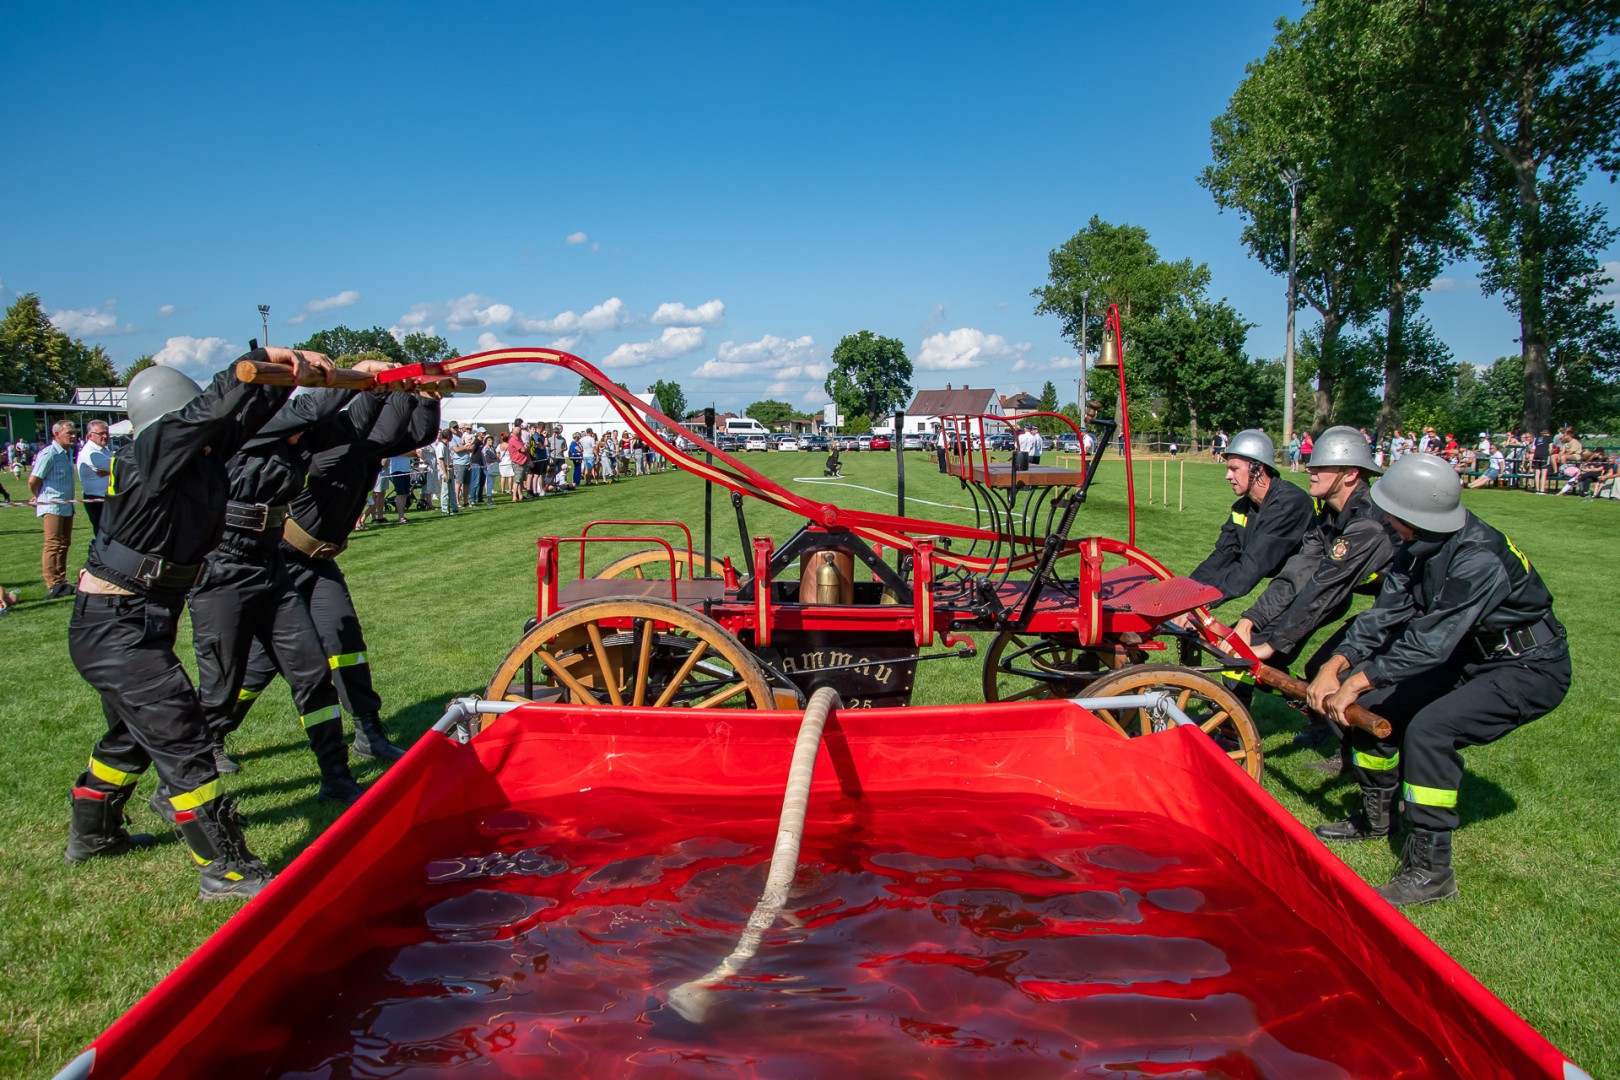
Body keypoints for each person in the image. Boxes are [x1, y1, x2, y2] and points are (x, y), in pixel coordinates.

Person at [64, 349, 330, 899]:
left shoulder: (194, 458)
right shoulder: (150, 454)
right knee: (182, 736)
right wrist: (254, 361)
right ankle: (225, 868)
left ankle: (93, 835)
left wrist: (290, 379)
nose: (210, 434)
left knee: (133, 736)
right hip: (114, 626)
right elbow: (210, 412)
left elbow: (244, 419)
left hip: (139, 618)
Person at [1306, 453, 1569, 905]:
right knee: (1373, 707)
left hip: (1528, 666)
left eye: (1391, 511)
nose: (1384, 517)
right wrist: (1336, 665)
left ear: (1413, 516)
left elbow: (1430, 643)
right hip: (1470, 654)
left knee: (1431, 731)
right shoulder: (1417, 546)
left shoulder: (1477, 557)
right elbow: (1385, 615)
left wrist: (1357, 680)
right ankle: (1377, 818)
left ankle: (1431, 871)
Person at [189, 364, 396, 803]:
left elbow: (350, 423)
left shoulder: (295, 441)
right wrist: (356, 375)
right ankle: (195, 756)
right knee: (226, 678)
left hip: (271, 562)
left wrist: (377, 390)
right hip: (225, 564)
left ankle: (337, 775)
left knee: (312, 670)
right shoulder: (245, 430)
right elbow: (306, 410)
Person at [227, 390, 440, 766]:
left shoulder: (365, 449)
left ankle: (368, 733)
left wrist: (426, 399)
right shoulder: (326, 450)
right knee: (258, 665)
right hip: (282, 564)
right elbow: (385, 434)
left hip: (318, 564)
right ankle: (211, 738)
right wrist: (397, 389)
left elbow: (419, 435)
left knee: (346, 642)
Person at [1230, 426, 1398, 754]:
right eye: (1311, 463)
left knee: (1336, 671)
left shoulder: (1367, 523)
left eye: (1321, 466)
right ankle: (1330, 737)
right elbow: (1296, 574)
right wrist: (1252, 620)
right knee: (1317, 668)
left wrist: (1273, 645)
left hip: (1416, 611)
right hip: (1387, 604)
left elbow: (1325, 587)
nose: (1310, 470)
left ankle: (1354, 756)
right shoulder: (1329, 517)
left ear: (1350, 474)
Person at [1188, 429, 1314, 608]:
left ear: (1258, 468)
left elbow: (1253, 564)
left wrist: (1202, 602)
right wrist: (1185, 593)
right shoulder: (1242, 508)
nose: (1227, 476)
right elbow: (1222, 556)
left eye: (1234, 469)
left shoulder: (1290, 503)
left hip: (1313, 590)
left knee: (1252, 627)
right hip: (1288, 586)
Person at [29, 420, 78, 597]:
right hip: (52, 505)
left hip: (67, 504)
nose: (73, 436)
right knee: (52, 544)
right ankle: (52, 583)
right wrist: (39, 497)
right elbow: (33, 480)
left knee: (64, 543)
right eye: (69, 433)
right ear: (57, 434)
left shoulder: (68, 452)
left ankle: (61, 580)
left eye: (74, 432)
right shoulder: (49, 453)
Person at [76, 420, 113, 538]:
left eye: (106, 433)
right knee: (103, 535)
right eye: (101, 433)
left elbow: (116, 466)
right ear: (90, 435)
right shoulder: (90, 452)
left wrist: (111, 471)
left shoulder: (105, 451)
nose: (105, 436)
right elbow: (115, 466)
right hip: (97, 499)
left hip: (108, 498)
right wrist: (112, 470)